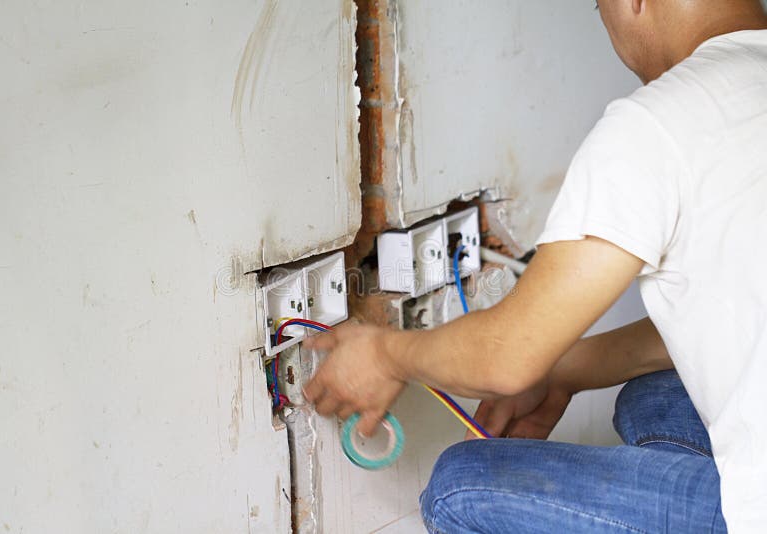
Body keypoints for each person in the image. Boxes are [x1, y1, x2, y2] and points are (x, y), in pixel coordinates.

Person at [303, 0, 767, 531]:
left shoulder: (662, 121)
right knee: (654, 395)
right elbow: (720, 321)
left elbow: (507, 356)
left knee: (462, 488)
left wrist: (385, 356)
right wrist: (561, 371)